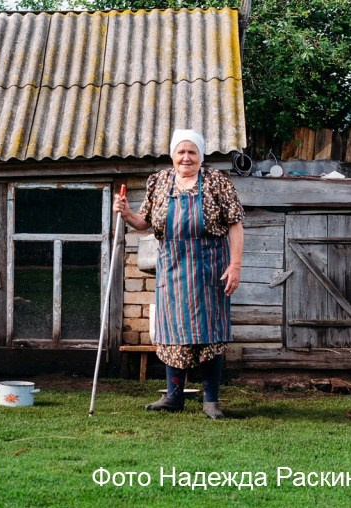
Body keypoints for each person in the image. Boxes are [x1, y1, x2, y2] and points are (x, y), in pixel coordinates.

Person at [113, 129, 244, 419]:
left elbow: (235, 224)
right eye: (181, 152)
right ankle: (173, 397)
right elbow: (144, 222)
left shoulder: (217, 182)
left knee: (210, 335)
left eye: (192, 152)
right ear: (173, 155)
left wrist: (234, 265)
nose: (186, 157)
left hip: (209, 270)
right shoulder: (159, 182)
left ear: (201, 156)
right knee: (173, 334)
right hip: (171, 270)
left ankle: (211, 401)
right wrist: (126, 213)